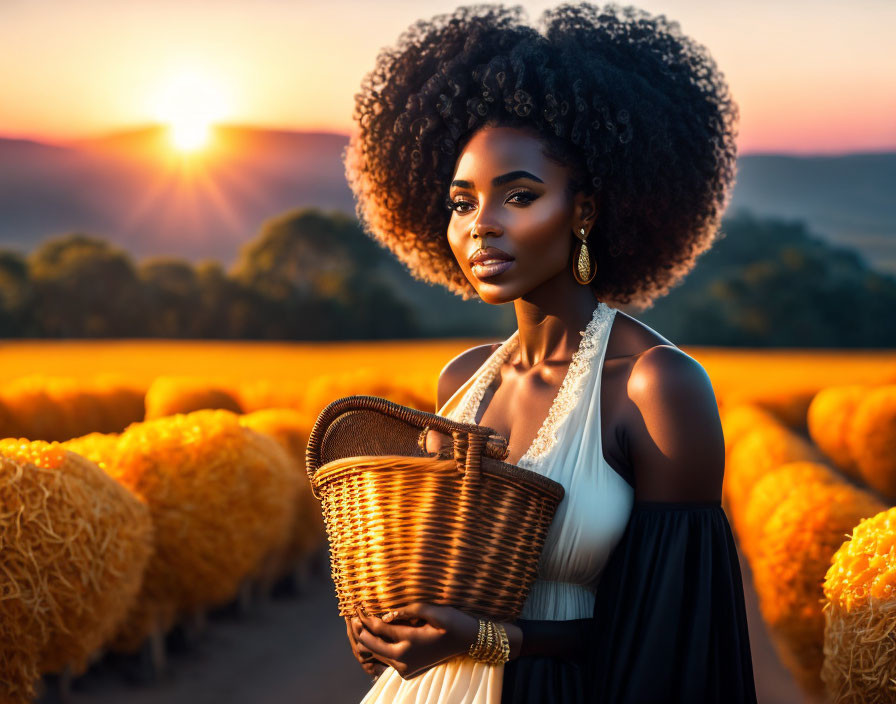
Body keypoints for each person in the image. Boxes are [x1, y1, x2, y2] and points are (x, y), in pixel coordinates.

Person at [340, 3, 757, 702]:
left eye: (520, 196)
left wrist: (493, 641)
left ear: (586, 211)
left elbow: (678, 636)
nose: (482, 228)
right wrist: (387, 623)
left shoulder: (658, 387)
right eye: (460, 202)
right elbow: (443, 575)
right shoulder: (464, 378)